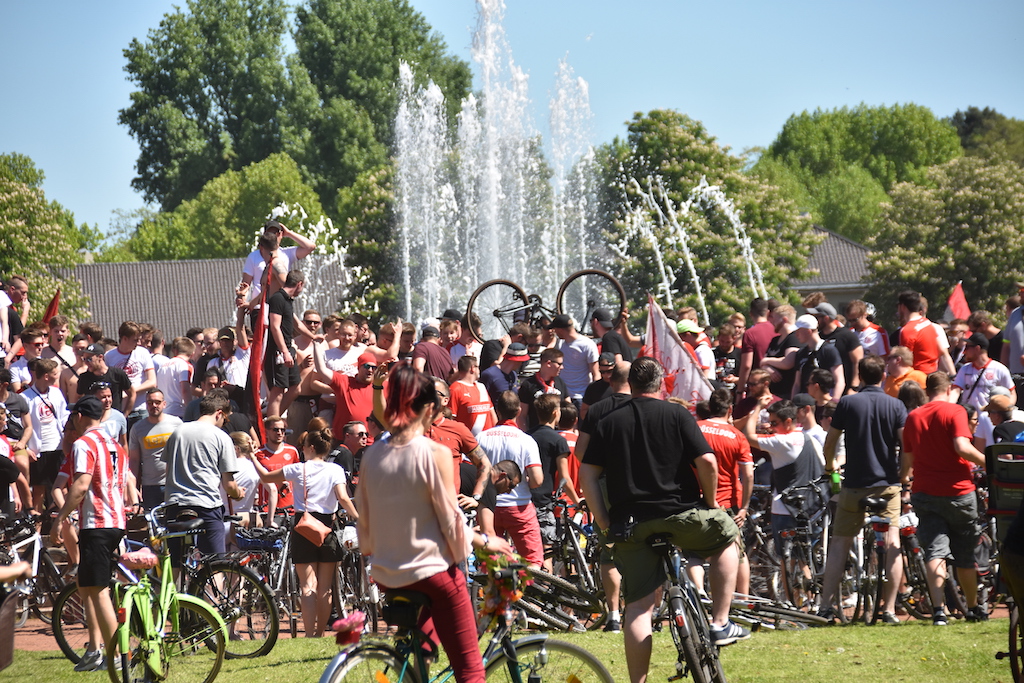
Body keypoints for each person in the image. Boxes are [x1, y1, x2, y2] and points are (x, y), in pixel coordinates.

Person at [580, 358, 747, 683]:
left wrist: (603, 522)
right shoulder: (676, 413)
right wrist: (711, 504)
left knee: (639, 608)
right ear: (661, 383)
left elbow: (587, 474)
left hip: (631, 523)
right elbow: (708, 462)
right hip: (681, 514)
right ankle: (720, 622)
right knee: (728, 539)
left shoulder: (609, 422)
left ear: (632, 385)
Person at [356, 365, 512, 683]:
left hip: (387, 572)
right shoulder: (435, 453)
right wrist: (486, 542)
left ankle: (417, 663)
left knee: (423, 638)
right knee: (470, 670)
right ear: (429, 408)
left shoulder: (372, 455)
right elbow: (450, 519)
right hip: (431, 571)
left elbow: (365, 524)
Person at [247, 420, 357, 637]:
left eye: (304, 445)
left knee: (307, 586)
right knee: (326, 588)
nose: (302, 448)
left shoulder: (298, 469)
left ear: (311, 448)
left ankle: (308, 633)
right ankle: (319, 633)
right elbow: (343, 497)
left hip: (303, 525)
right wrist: (358, 517)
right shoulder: (335, 469)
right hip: (327, 527)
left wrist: (252, 456)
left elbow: (266, 477)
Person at [818, 355, 907, 623]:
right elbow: (906, 445)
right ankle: (889, 608)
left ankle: (825, 606)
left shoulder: (847, 402)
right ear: (883, 375)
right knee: (892, 543)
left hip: (854, 485)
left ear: (859, 374)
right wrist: (902, 475)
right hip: (887, 485)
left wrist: (830, 467)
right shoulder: (896, 405)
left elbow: (831, 440)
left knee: (840, 544)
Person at [901, 372, 988, 625]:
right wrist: (988, 462)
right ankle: (972, 608)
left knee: (935, 551)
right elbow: (962, 447)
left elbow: (907, 461)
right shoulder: (956, 411)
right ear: (949, 388)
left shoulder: (914, 417)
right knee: (964, 553)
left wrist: (904, 478)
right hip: (959, 491)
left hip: (925, 491)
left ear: (926, 390)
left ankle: (939, 611)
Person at [50, 397, 129, 672]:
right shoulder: (115, 443)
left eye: (73, 416)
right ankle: (96, 649)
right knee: (88, 587)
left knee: (98, 590)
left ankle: (116, 654)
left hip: (97, 522)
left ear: (81, 415)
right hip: (115, 520)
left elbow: (81, 485)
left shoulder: (84, 443)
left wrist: (60, 519)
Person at [162, 390, 245, 565]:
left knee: (175, 563)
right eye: (225, 419)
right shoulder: (221, 437)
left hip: (175, 505)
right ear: (219, 413)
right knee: (216, 564)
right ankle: (213, 592)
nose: (224, 423)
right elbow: (229, 485)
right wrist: (238, 493)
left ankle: (173, 591)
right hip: (206, 505)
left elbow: (167, 471)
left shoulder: (177, 432)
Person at [128, 389, 181, 509]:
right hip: (150, 486)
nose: (154, 406)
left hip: (174, 484)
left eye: (157, 402)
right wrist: (134, 487)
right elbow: (134, 460)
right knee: (153, 524)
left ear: (164, 404)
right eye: (150, 402)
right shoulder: (138, 428)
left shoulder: (176, 423)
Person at [547, 314, 599, 405]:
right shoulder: (560, 344)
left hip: (581, 397)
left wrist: (594, 398)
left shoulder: (587, 345)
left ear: (560, 330)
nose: (554, 332)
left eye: (555, 330)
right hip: (562, 396)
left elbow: (596, 373)